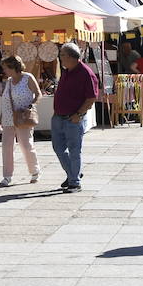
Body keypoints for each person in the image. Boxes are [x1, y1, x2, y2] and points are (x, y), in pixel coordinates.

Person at [51, 43, 98, 194]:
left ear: (71, 57)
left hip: (73, 118)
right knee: (58, 148)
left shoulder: (85, 73)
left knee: (74, 150)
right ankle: (73, 172)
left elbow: (91, 98)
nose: (60, 58)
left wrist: (78, 114)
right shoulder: (67, 71)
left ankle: (75, 182)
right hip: (58, 117)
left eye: (62, 55)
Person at [0, 55, 41, 187]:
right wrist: (0, 118)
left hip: (23, 116)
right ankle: (7, 176)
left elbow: (38, 94)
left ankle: (35, 171)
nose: (4, 70)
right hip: (8, 118)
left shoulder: (28, 78)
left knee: (26, 145)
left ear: (13, 67)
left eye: (5, 68)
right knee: (7, 147)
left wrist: (31, 106)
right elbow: (5, 101)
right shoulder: (9, 81)